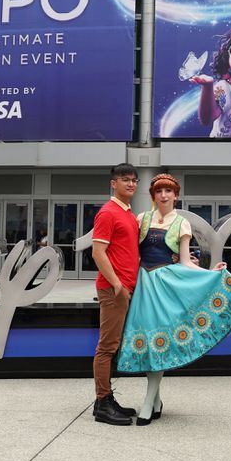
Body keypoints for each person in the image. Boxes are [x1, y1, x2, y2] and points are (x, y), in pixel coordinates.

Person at [117, 173, 231, 425]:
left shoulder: (182, 223)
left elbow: (186, 261)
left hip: (167, 286)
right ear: (153, 196)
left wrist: (211, 274)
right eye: (159, 191)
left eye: (168, 191)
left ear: (176, 195)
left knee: (159, 341)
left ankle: (148, 402)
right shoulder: (141, 219)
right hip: (144, 285)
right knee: (148, 340)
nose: (164, 195)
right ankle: (156, 400)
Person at [90, 163, 141, 426]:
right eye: (125, 180)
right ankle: (102, 403)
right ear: (113, 183)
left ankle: (107, 399)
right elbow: (97, 253)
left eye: (134, 180)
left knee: (114, 346)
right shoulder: (108, 213)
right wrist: (118, 285)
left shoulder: (129, 215)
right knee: (107, 347)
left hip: (125, 289)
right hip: (113, 290)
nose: (131, 184)